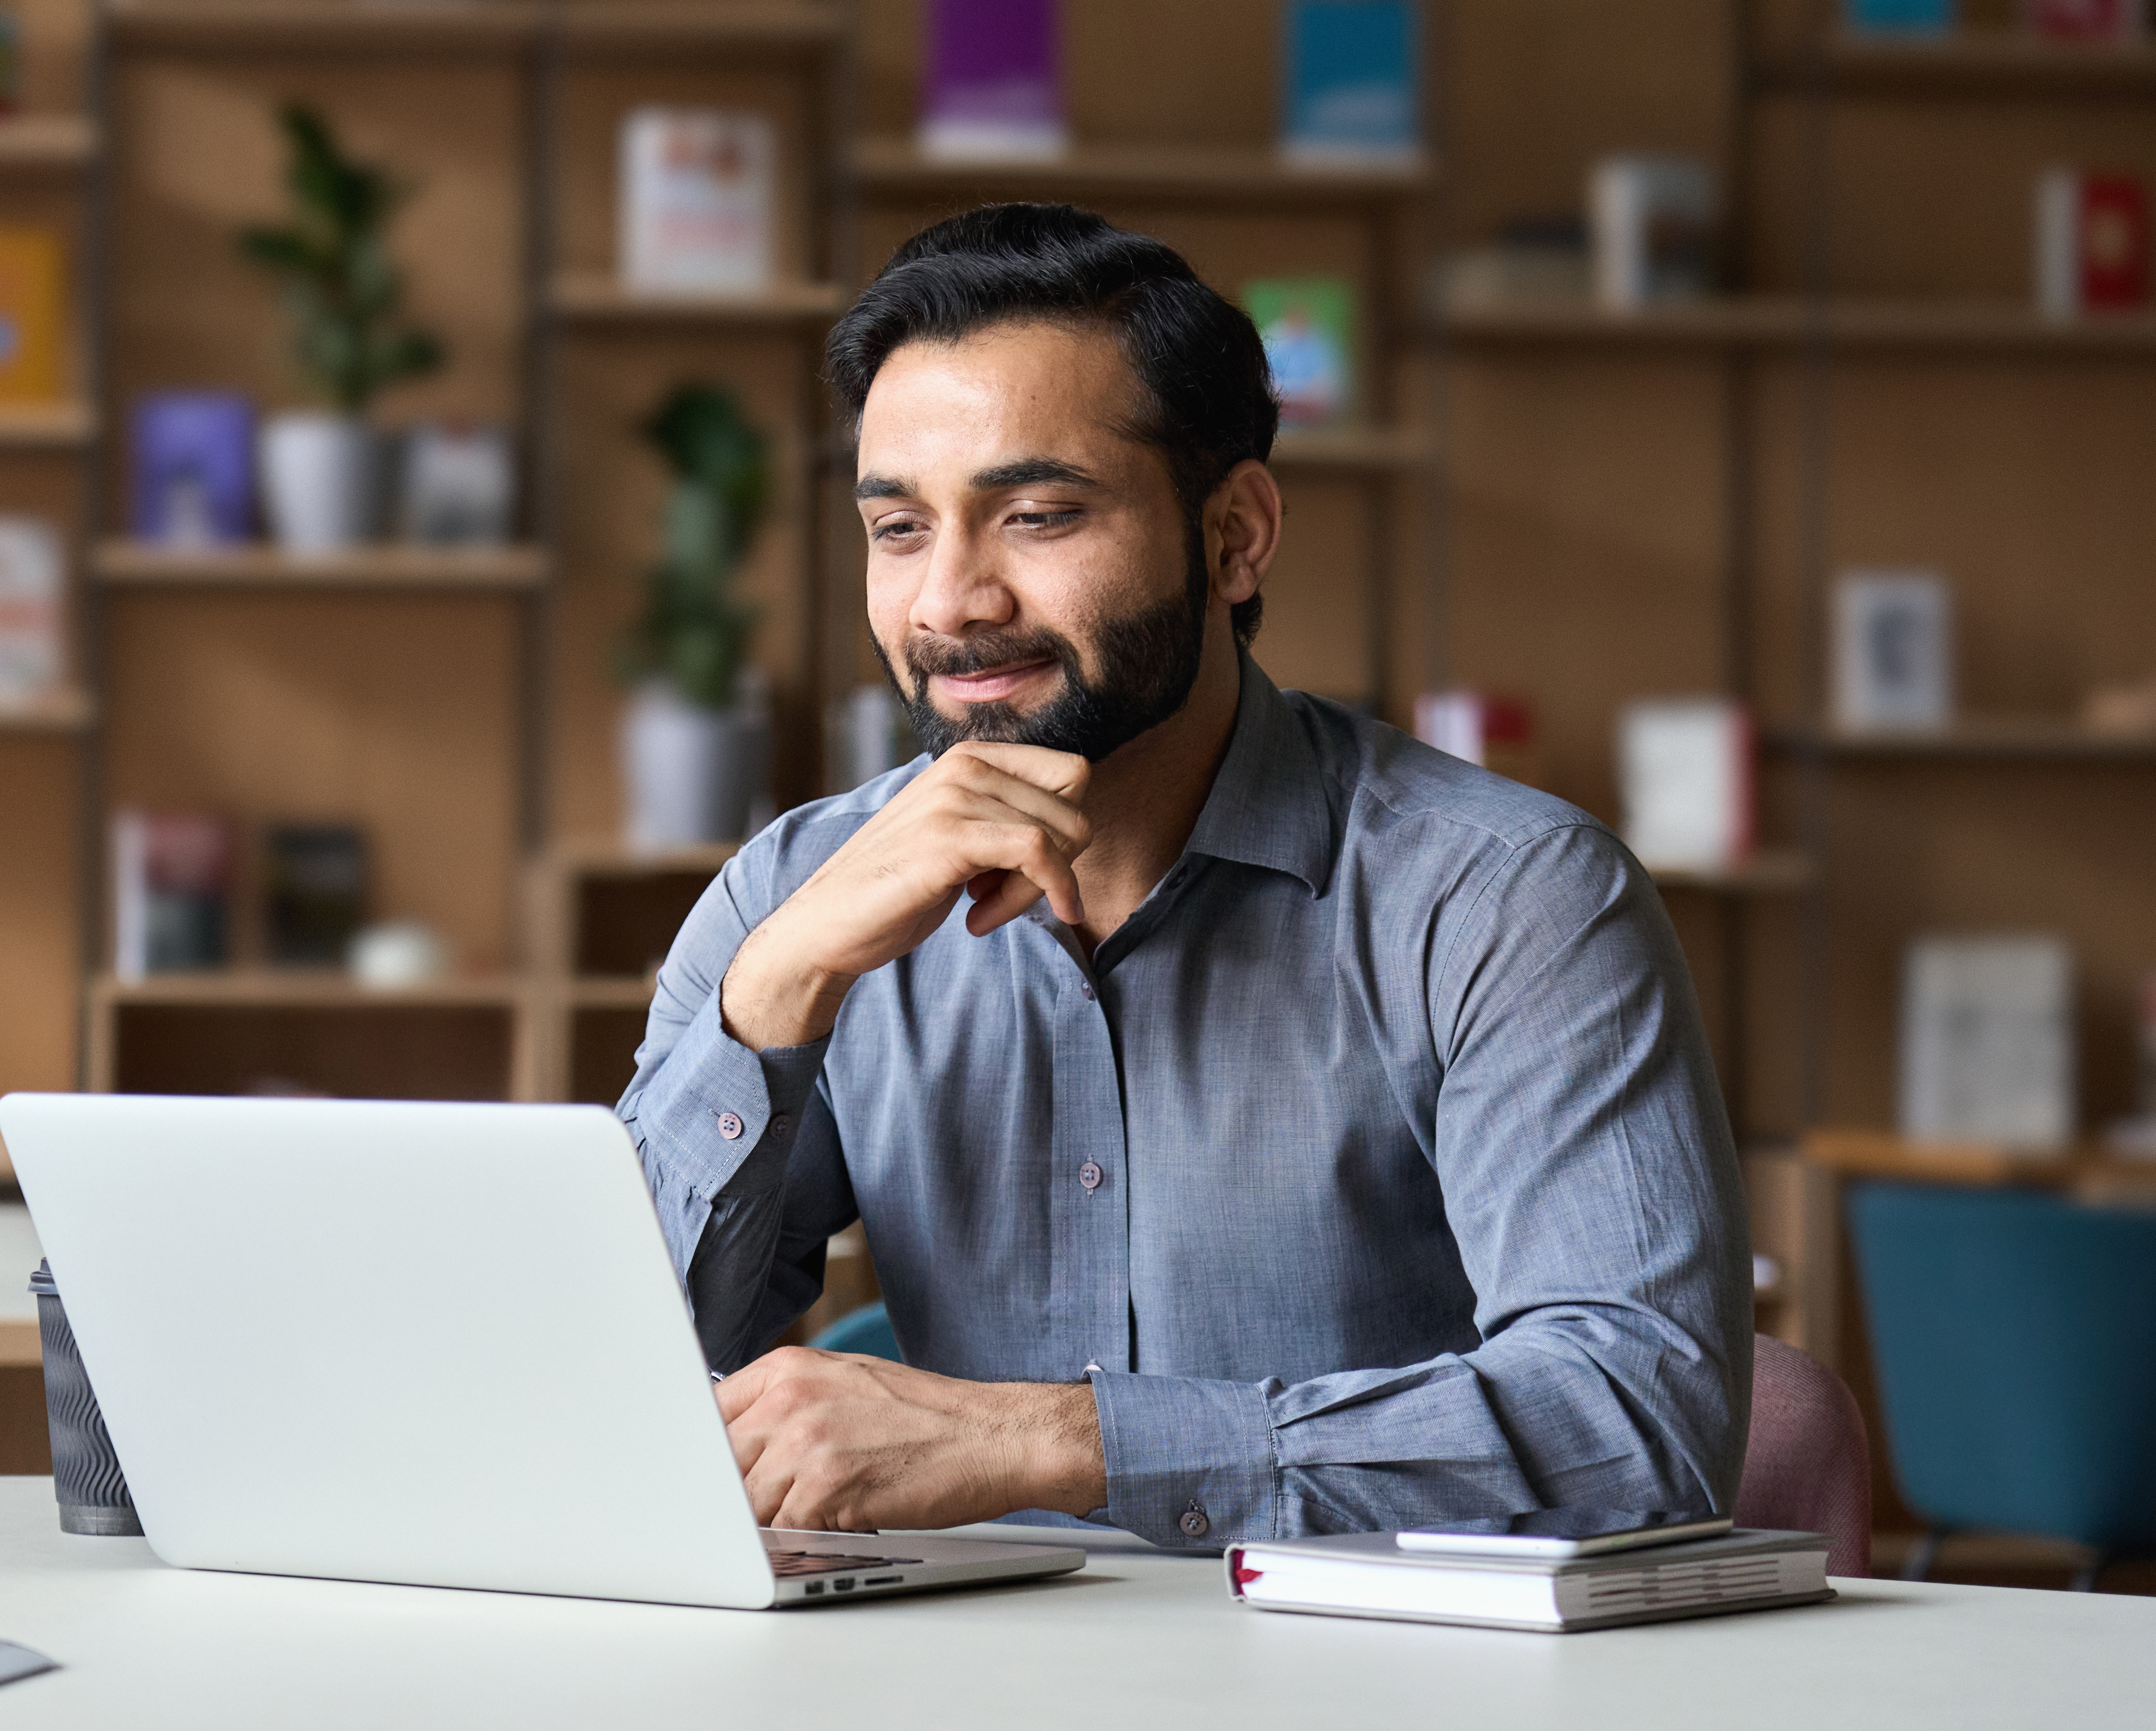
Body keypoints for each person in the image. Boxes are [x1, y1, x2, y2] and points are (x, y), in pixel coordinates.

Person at [618, 203, 1749, 1550]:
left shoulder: (1509, 899)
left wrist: (1057, 1441)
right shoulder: (790, 898)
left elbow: (1639, 1424)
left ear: (1235, 536)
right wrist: (775, 999)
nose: (949, 603)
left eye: (1036, 514)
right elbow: (594, 1391)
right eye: (900, 528)